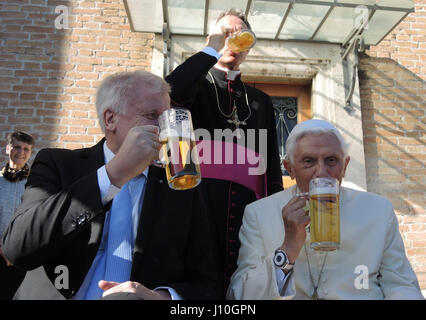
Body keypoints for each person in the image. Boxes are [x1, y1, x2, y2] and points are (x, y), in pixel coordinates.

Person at [1, 70, 218, 300]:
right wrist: (112, 174)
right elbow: (18, 248)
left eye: (168, 117)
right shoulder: (58, 163)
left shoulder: (181, 185)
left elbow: (207, 284)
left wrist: (162, 298)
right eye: (153, 115)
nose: (166, 129)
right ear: (110, 119)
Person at [227, 119, 424, 300]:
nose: (321, 172)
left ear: (345, 166)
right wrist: (287, 250)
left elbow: (401, 285)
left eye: (331, 160)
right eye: (308, 161)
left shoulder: (378, 211)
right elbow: (241, 296)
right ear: (290, 168)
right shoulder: (259, 213)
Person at [165, 8, 283, 298]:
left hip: (248, 212)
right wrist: (212, 47)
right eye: (225, 32)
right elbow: (171, 92)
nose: (233, 39)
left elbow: (270, 168)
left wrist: (274, 218)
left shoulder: (261, 101)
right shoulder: (196, 85)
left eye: (239, 33)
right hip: (197, 203)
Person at [0, 131, 35, 299]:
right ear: (8, 149)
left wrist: (15, 249)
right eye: (17, 147)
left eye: (26, 149)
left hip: (22, 255)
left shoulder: (36, 184)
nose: (21, 152)